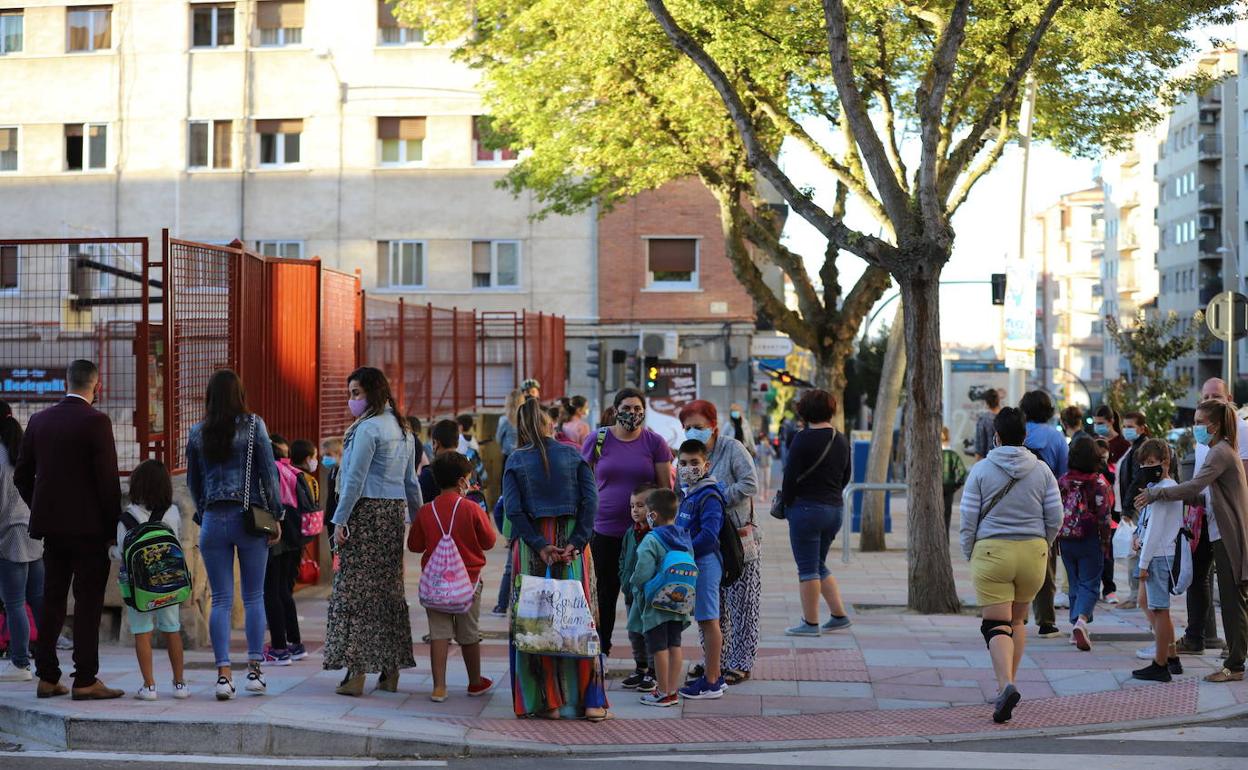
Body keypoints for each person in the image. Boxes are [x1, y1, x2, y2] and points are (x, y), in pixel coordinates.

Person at [14, 360, 123, 701]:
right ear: (97, 385)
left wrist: (41, 509)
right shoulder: (97, 422)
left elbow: (21, 475)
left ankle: (47, 676)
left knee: (52, 600)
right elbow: (108, 481)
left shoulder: (39, 420)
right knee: (88, 602)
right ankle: (86, 678)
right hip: (90, 531)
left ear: (66, 382)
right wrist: (112, 528)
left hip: (52, 530)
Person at [504, 397, 605, 720]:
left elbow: (513, 510)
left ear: (519, 427)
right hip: (572, 547)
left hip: (534, 548)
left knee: (537, 621)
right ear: (552, 424)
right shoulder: (574, 455)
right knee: (579, 618)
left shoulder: (515, 460)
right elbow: (591, 502)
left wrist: (539, 544)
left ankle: (547, 702)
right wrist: (576, 542)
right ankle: (590, 701)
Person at [959, 407, 1062, 724]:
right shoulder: (1042, 470)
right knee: (1017, 622)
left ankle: (1005, 685)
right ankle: (1009, 683)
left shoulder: (980, 470)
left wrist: (970, 553)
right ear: (1025, 436)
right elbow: (1055, 517)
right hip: (1033, 554)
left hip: (992, 553)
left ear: (997, 436)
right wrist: (1042, 544)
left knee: (994, 625)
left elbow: (968, 519)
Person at [185, 369, 283, 700]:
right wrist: (277, 514)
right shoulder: (254, 426)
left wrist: (204, 513)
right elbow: (269, 474)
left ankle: (223, 676)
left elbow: (192, 483)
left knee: (221, 599)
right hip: (249, 518)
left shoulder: (198, 432)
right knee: (254, 596)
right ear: (239, 393)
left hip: (213, 518)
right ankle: (255, 671)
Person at [324, 367, 422, 696]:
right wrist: (418, 519)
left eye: (356, 393)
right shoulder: (403, 427)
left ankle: (355, 674)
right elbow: (411, 481)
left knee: (356, 594)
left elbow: (353, 479)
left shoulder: (368, 429)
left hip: (364, 515)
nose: (351, 400)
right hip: (392, 516)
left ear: (372, 392)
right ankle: (390, 670)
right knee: (388, 593)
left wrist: (340, 520)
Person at [1135, 399, 1248, 683]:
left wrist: (1158, 494)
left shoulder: (1220, 451)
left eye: (1200, 422)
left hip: (1228, 535)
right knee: (1229, 598)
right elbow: (1203, 495)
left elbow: (1196, 486)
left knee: (1233, 601)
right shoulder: (1217, 450)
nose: (1196, 427)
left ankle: (1234, 664)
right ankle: (1233, 659)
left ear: (1215, 424)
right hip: (1218, 531)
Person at [581, 388, 673, 661]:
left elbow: (664, 489)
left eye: (637, 408)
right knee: (604, 595)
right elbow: (583, 482)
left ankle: (645, 662)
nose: (632, 413)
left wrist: (663, 530)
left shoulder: (655, 443)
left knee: (641, 595)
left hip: (642, 535)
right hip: (604, 530)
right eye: (627, 407)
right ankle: (601, 651)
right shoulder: (597, 439)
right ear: (615, 409)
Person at [680, 399, 759, 685]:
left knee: (742, 600)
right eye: (687, 427)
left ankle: (740, 662)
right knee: (709, 605)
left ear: (713, 426)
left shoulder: (732, 448)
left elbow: (751, 484)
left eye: (698, 427)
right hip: (703, 541)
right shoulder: (690, 455)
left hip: (736, 536)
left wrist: (714, 498)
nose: (692, 432)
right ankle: (713, 660)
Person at [407, 452, 497, 702]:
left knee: (439, 633)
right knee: (469, 632)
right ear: (461, 481)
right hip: (469, 581)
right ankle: (475, 682)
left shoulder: (426, 511)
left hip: (435, 582)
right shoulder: (471, 508)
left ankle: (439, 687)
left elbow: (414, 545)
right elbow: (489, 542)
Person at [1178, 377, 1248, 656]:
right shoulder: (1205, 435)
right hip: (1202, 515)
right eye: (1205, 396)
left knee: (1231, 587)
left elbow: (1241, 478)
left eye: (1215, 397)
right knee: (1196, 575)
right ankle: (1197, 636)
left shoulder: (1238, 431)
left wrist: (1162, 494)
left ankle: (1236, 649)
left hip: (1227, 519)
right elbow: (1199, 478)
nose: (1209, 401)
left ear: (1228, 398)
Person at [780, 389, 853, 638]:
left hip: (806, 509)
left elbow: (789, 477)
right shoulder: (840, 438)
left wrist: (787, 505)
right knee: (818, 564)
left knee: (808, 568)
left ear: (804, 410)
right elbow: (846, 475)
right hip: (834, 509)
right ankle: (838, 615)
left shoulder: (802, 438)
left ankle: (810, 623)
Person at [113, 460, 188, 700]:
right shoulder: (173, 513)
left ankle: (150, 686)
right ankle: (179, 684)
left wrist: (110, 551)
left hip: (138, 588)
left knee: (142, 632)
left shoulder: (126, 519)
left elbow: (122, 553)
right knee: (172, 630)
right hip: (169, 583)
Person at [673, 439, 727, 700]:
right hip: (695, 562)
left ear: (706, 465)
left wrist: (684, 551)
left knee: (709, 621)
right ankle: (714, 674)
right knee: (705, 621)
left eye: (694, 463)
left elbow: (709, 535)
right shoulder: (689, 492)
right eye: (683, 463)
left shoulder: (709, 494)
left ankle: (712, 681)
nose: (688, 468)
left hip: (705, 563)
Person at [630, 488, 693, 707]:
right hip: (679, 599)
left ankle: (663, 692)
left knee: (658, 647)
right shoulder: (683, 536)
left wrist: (635, 585)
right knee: (675, 644)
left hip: (657, 602)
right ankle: (673, 690)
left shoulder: (651, 539)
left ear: (653, 515)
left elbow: (643, 570)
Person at [1129, 438, 1185, 682]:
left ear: (1165, 461)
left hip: (1159, 555)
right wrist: (1136, 534)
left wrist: (1143, 564)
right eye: (1143, 464)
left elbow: (1156, 531)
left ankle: (1161, 663)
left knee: (1160, 609)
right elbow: (1148, 524)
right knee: (1146, 601)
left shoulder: (1165, 489)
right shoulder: (1156, 488)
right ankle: (1170, 655)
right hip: (1155, 553)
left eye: (1151, 463)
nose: (1146, 468)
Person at [1056, 437, 1113, 652]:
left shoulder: (1063, 481)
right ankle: (1081, 620)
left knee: (1074, 582)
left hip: (1067, 538)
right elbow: (1104, 517)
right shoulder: (1098, 483)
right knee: (1090, 582)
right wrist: (1106, 542)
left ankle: (1074, 626)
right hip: (1090, 539)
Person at [0, 408, 43, 683]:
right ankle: (48, 661)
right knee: (38, 601)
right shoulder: (26, 451)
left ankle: (20, 663)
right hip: (35, 532)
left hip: (10, 538)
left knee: (14, 603)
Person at [1019, 390, 1066, 640]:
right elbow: (1064, 474)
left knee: (1017, 563)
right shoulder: (1056, 437)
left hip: (1017, 505)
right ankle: (1046, 621)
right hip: (1046, 507)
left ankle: (1019, 614)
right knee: (1045, 566)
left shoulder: (1018, 433)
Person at [619, 483, 658, 693]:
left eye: (640, 505)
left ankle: (653, 671)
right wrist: (624, 578)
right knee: (634, 631)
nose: (635, 510)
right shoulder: (629, 533)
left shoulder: (657, 534)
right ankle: (640, 667)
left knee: (650, 632)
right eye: (632, 505)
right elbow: (623, 557)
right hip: (631, 593)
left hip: (649, 595)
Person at [941, 426, 969, 531]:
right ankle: (945, 543)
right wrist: (956, 486)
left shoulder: (933, 455)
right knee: (946, 518)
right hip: (949, 488)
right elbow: (963, 473)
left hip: (934, 490)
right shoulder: (953, 455)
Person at [320, 437, 343, 541]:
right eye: (323, 455)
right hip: (331, 518)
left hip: (340, 521)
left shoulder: (344, 472)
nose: (325, 458)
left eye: (328, 455)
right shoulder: (332, 472)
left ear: (339, 453)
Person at [974, 388, 1002, 461]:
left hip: (988, 462)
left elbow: (979, 449)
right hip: (1006, 462)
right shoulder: (1007, 418)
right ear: (999, 401)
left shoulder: (983, 420)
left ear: (986, 402)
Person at [495, 389, 523, 462]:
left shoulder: (504, 420)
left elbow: (498, 438)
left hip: (508, 455)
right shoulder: (526, 418)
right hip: (524, 455)